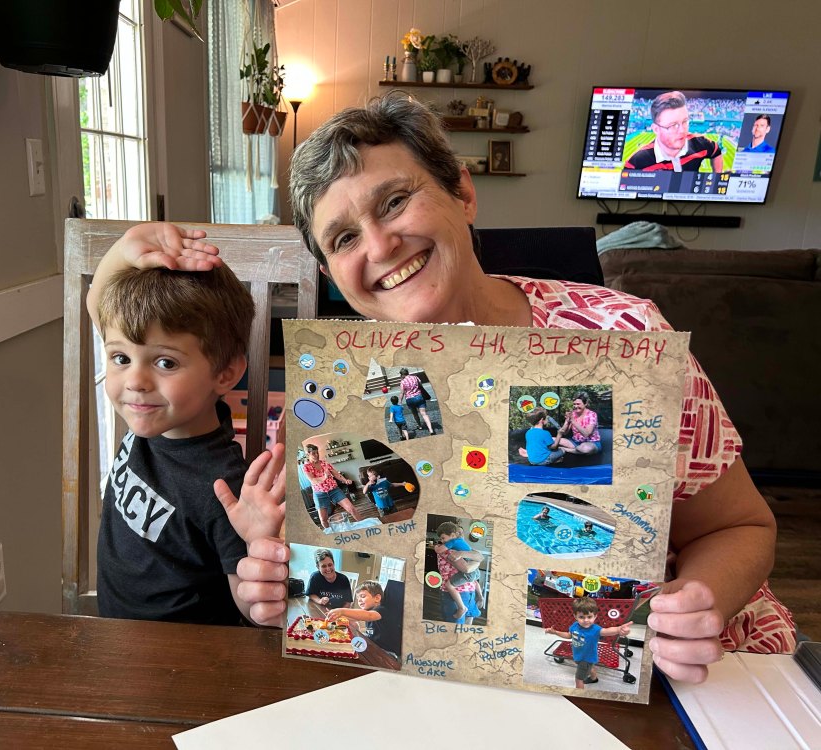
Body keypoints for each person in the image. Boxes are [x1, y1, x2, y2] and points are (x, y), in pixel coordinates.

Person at [232, 92, 796, 683]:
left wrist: (698, 603)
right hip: (448, 685)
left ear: (463, 193)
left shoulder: (626, 336)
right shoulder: (331, 396)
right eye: (344, 238)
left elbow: (740, 527)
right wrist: (267, 589)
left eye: (395, 202)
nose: (378, 246)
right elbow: (311, 569)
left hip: (683, 678)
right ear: (330, 273)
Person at [87, 258, 286, 625]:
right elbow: (96, 302)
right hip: (113, 634)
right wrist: (136, 240)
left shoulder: (226, 487)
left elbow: (250, 612)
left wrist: (257, 547)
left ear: (225, 373)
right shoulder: (150, 417)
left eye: (165, 363)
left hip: (183, 652)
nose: (135, 381)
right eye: (121, 358)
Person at [624, 91, 723, 173]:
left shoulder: (699, 142)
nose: (682, 130)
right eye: (673, 125)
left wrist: (716, 179)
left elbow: (716, 151)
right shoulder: (636, 162)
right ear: (656, 129)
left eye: (685, 122)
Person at [545, 597, 631, 689]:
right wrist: (555, 632)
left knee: (578, 679)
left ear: (595, 616)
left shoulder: (595, 629)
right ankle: (594, 678)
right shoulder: (574, 625)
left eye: (589, 617)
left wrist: (618, 629)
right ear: (575, 616)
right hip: (578, 655)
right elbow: (569, 635)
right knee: (590, 668)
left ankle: (579, 695)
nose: (586, 620)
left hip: (587, 659)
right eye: (581, 617)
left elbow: (607, 631)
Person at [325, 580, 400, 656]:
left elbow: (369, 616)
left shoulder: (382, 610)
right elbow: (354, 617)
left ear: (377, 598)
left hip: (386, 652)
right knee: (352, 630)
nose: (359, 600)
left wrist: (342, 611)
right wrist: (337, 616)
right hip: (373, 643)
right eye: (358, 598)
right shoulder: (368, 611)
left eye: (363, 596)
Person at [302, 443, 361, 530]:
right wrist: (325, 476)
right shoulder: (306, 467)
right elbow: (313, 480)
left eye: (317, 452)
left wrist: (345, 480)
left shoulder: (324, 463)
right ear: (308, 454)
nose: (316, 455)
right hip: (320, 494)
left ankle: (363, 525)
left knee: (352, 509)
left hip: (334, 490)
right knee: (323, 519)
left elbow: (336, 474)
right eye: (313, 453)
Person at [434, 521, 486, 619]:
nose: (460, 535)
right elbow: (469, 567)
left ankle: (466, 606)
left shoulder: (458, 545)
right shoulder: (451, 549)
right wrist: (476, 562)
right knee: (462, 621)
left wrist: (436, 546)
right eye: (458, 532)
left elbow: (479, 558)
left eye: (461, 533)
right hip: (463, 590)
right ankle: (468, 605)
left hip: (469, 590)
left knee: (469, 618)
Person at [398, 368, 434, 434]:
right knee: (424, 413)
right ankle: (431, 429)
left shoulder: (403, 382)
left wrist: (400, 401)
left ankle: (420, 426)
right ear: (407, 372)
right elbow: (421, 386)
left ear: (402, 375)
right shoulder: (415, 377)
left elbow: (402, 393)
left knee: (415, 414)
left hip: (410, 399)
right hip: (419, 397)